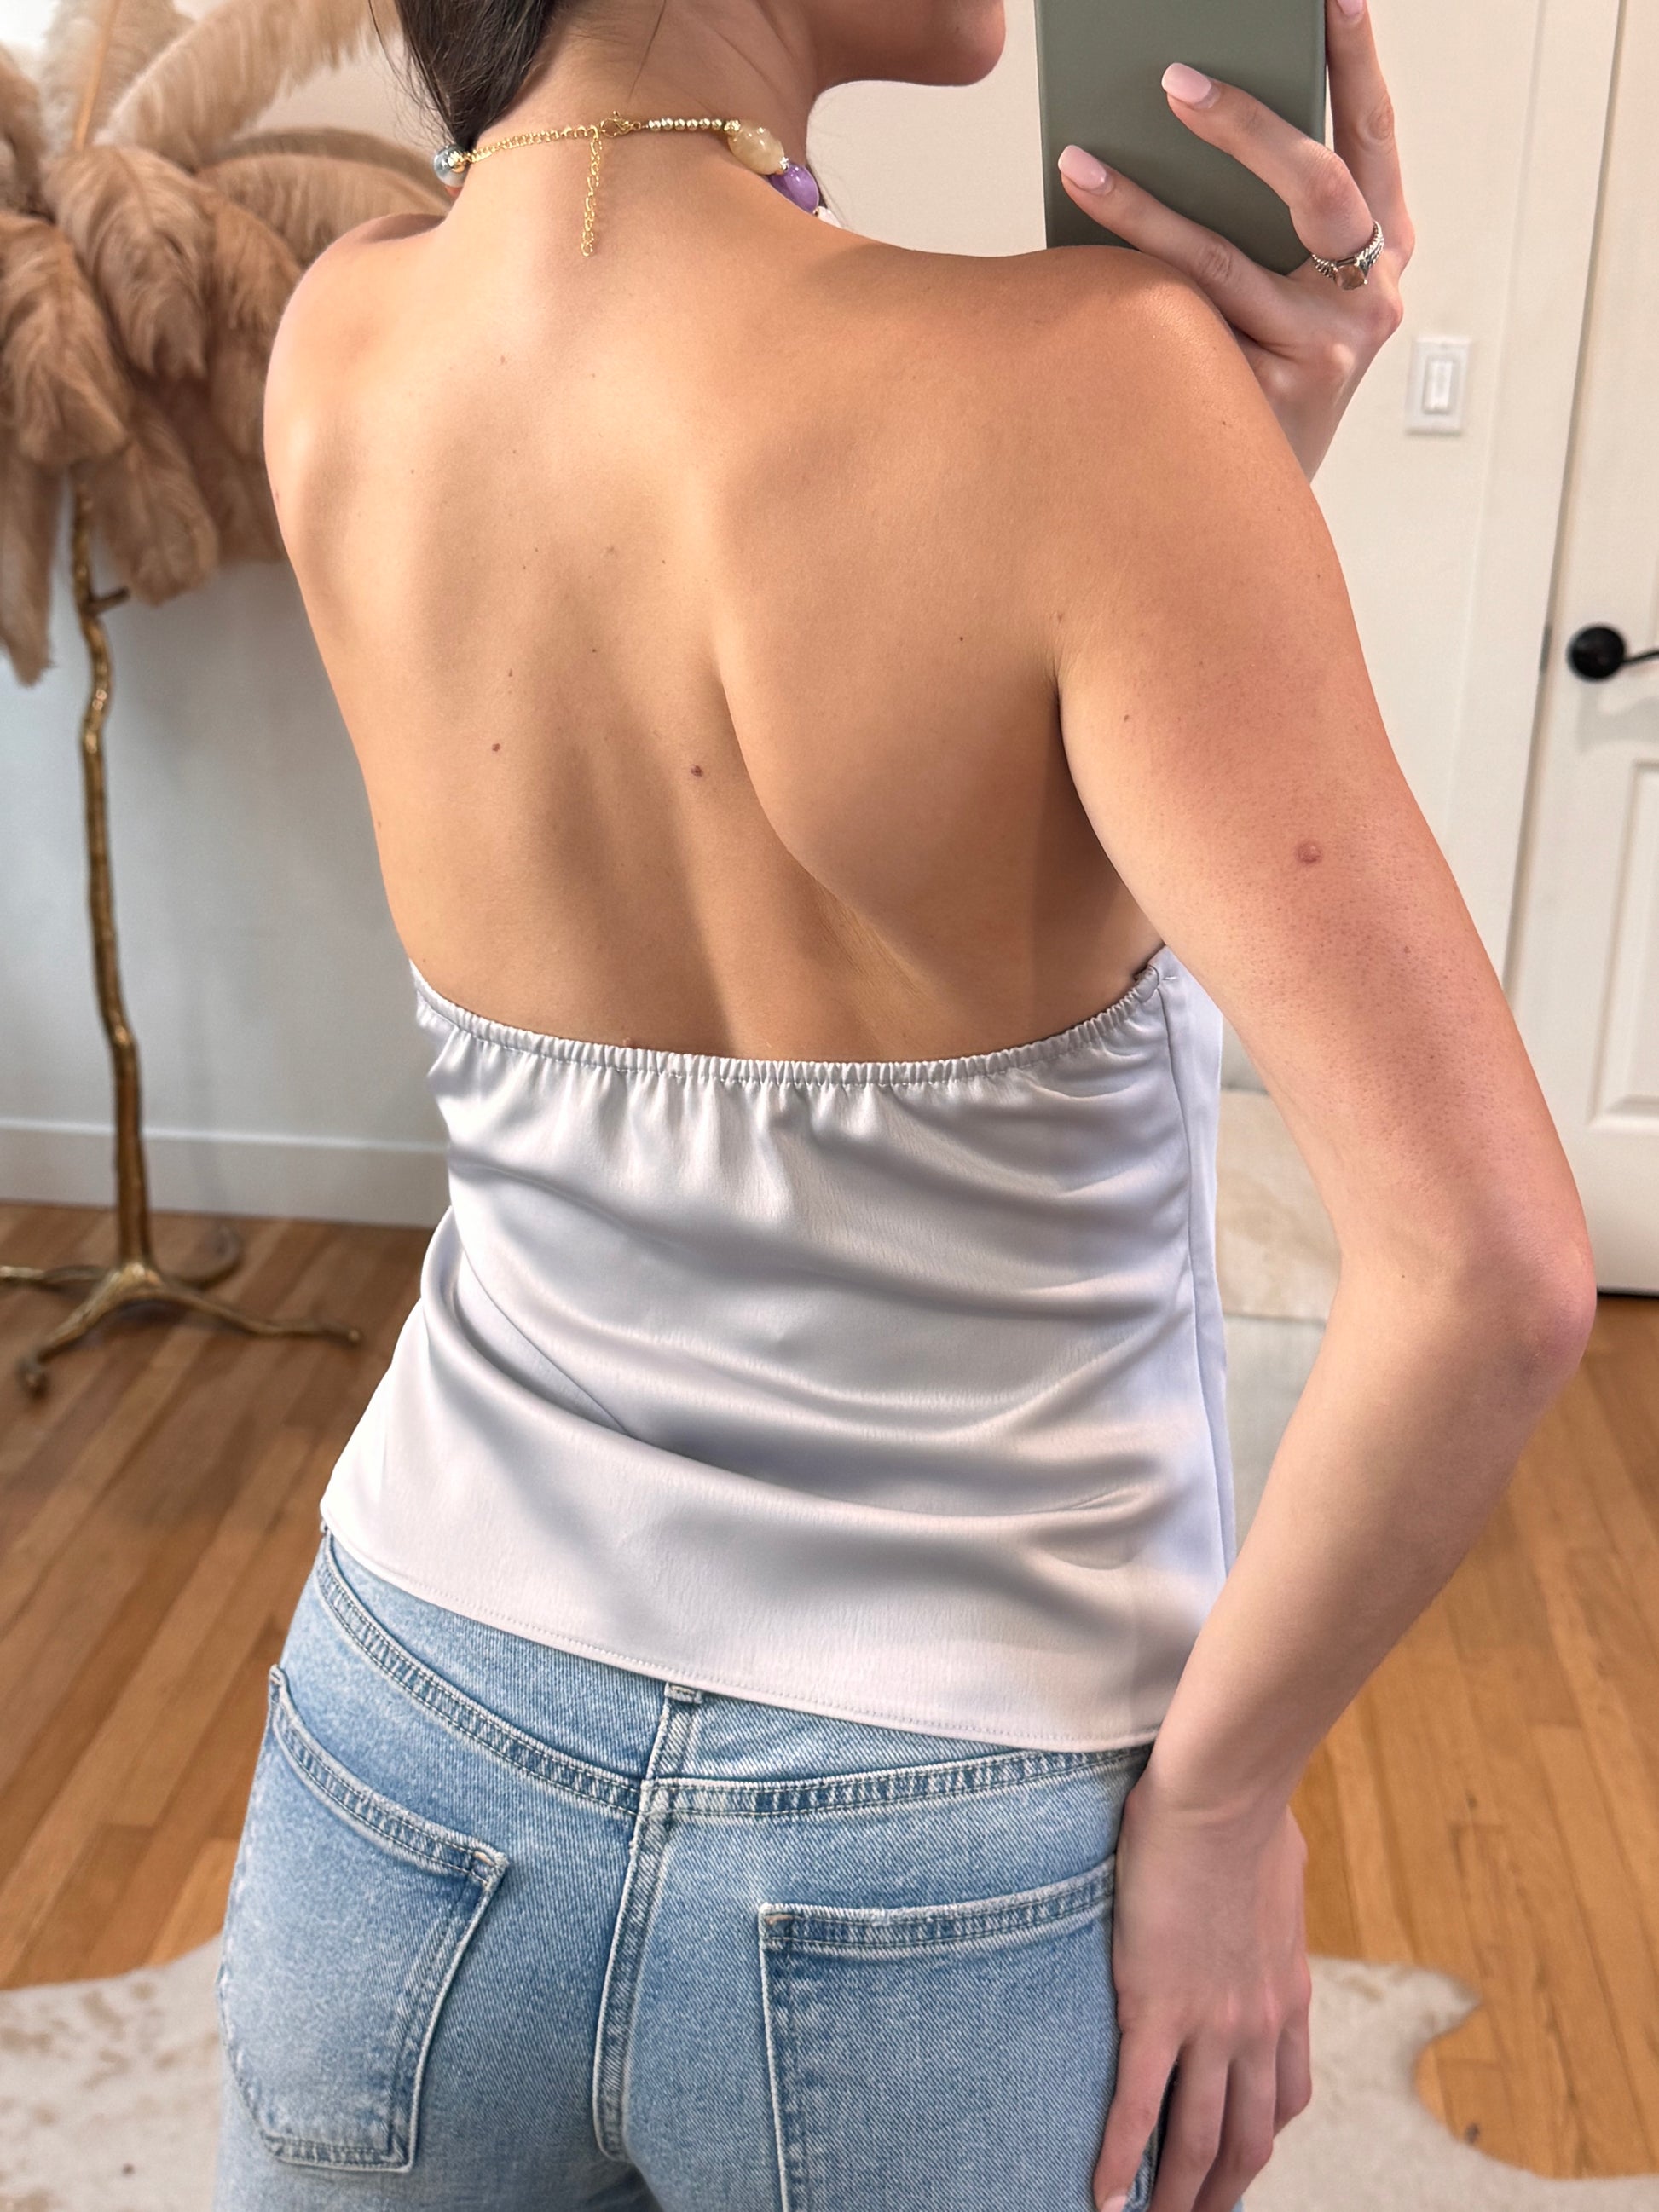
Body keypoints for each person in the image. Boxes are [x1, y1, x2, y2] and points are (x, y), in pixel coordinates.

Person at [211, 0, 1598, 2204]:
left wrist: (1221, 483)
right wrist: (1222, 1805)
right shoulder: (1095, 391)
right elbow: (1490, 1274)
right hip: (944, 1837)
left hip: (409, 1755)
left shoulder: (343, 336)